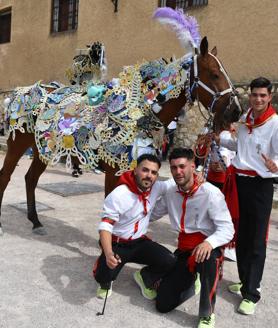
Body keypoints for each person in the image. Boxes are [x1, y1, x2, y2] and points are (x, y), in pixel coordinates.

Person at [151, 148, 234, 328]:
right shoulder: (171, 191)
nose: (178, 172)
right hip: (184, 249)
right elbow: (152, 214)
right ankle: (192, 283)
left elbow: (228, 228)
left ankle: (207, 314)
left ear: (193, 166)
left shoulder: (211, 192)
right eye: (173, 168)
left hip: (207, 246)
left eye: (182, 166)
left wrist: (208, 242)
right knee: (162, 305)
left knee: (210, 260)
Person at [215, 77, 278, 315]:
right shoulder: (245, 119)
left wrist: (276, 166)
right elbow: (237, 145)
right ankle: (244, 282)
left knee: (256, 240)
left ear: (270, 97)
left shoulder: (274, 123)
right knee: (239, 235)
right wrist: (218, 137)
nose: (258, 99)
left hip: (260, 185)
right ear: (249, 96)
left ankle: (253, 293)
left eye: (263, 95)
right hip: (238, 183)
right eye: (255, 95)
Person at [93, 154, 176, 300]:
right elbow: (105, 226)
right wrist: (108, 254)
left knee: (170, 260)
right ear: (136, 170)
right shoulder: (119, 194)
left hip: (139, 243)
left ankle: (145, 277)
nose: (149, 175)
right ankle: (106, 278)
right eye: (145, 170)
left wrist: (196, 176)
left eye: (154, 172)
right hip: (117, 244)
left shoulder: (156, 186)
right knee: (104, 275)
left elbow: (173, 183)